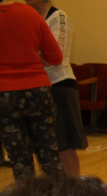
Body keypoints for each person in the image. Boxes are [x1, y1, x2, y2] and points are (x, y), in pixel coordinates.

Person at [0, 0, 66, 180]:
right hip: (39, 90)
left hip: (5, 94)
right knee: (50, 154)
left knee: (20, 159)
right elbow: (55, 57)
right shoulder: (29, 13)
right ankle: (59, 195)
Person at [26, 0, 88, 176]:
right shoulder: (26, 18)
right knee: (39, 145)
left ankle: (71, 187)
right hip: (34, 87)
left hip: (59, 87)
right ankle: (49, 187)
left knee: (62, 144)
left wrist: (24, 57)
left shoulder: (58, 17)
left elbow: (54, 56)